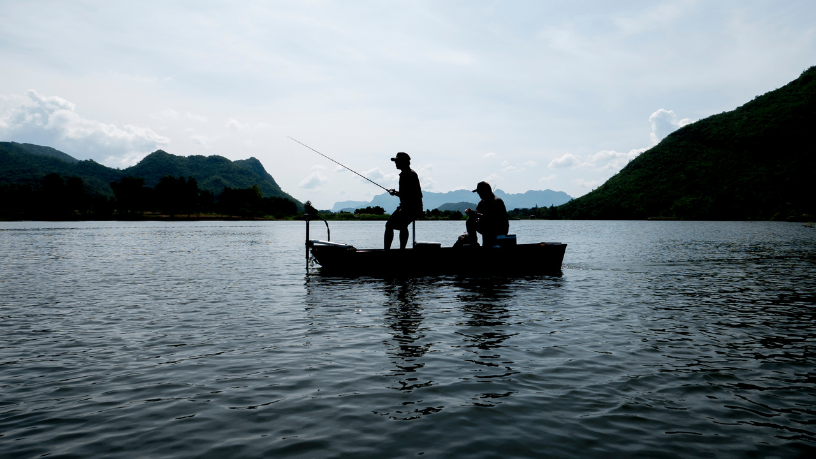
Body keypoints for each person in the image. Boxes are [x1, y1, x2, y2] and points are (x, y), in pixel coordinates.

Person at [384, 152, 423, 249]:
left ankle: (392, 250)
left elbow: (412, 195)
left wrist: (395, 193)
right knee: (396, 225)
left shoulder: (408, 174)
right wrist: (395, 192)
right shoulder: (406, 174)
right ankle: (397, 250)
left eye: (397, 161)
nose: (395, 163)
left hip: (411, 207)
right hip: (408, 206)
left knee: (393, 225)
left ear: (404, 162)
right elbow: (406, 193)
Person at [463, 181, 509, 247]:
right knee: (470, 221)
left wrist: (475, 214)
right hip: (487, 227)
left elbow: (491, 218)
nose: (479, 194)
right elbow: (477, 214)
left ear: (486, 191)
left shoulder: (497, 201)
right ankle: (474, 244)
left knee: (483, 222)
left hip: (498, 229)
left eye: (480, 192)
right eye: (478, 193)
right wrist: (471, 213)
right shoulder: (482, 203)